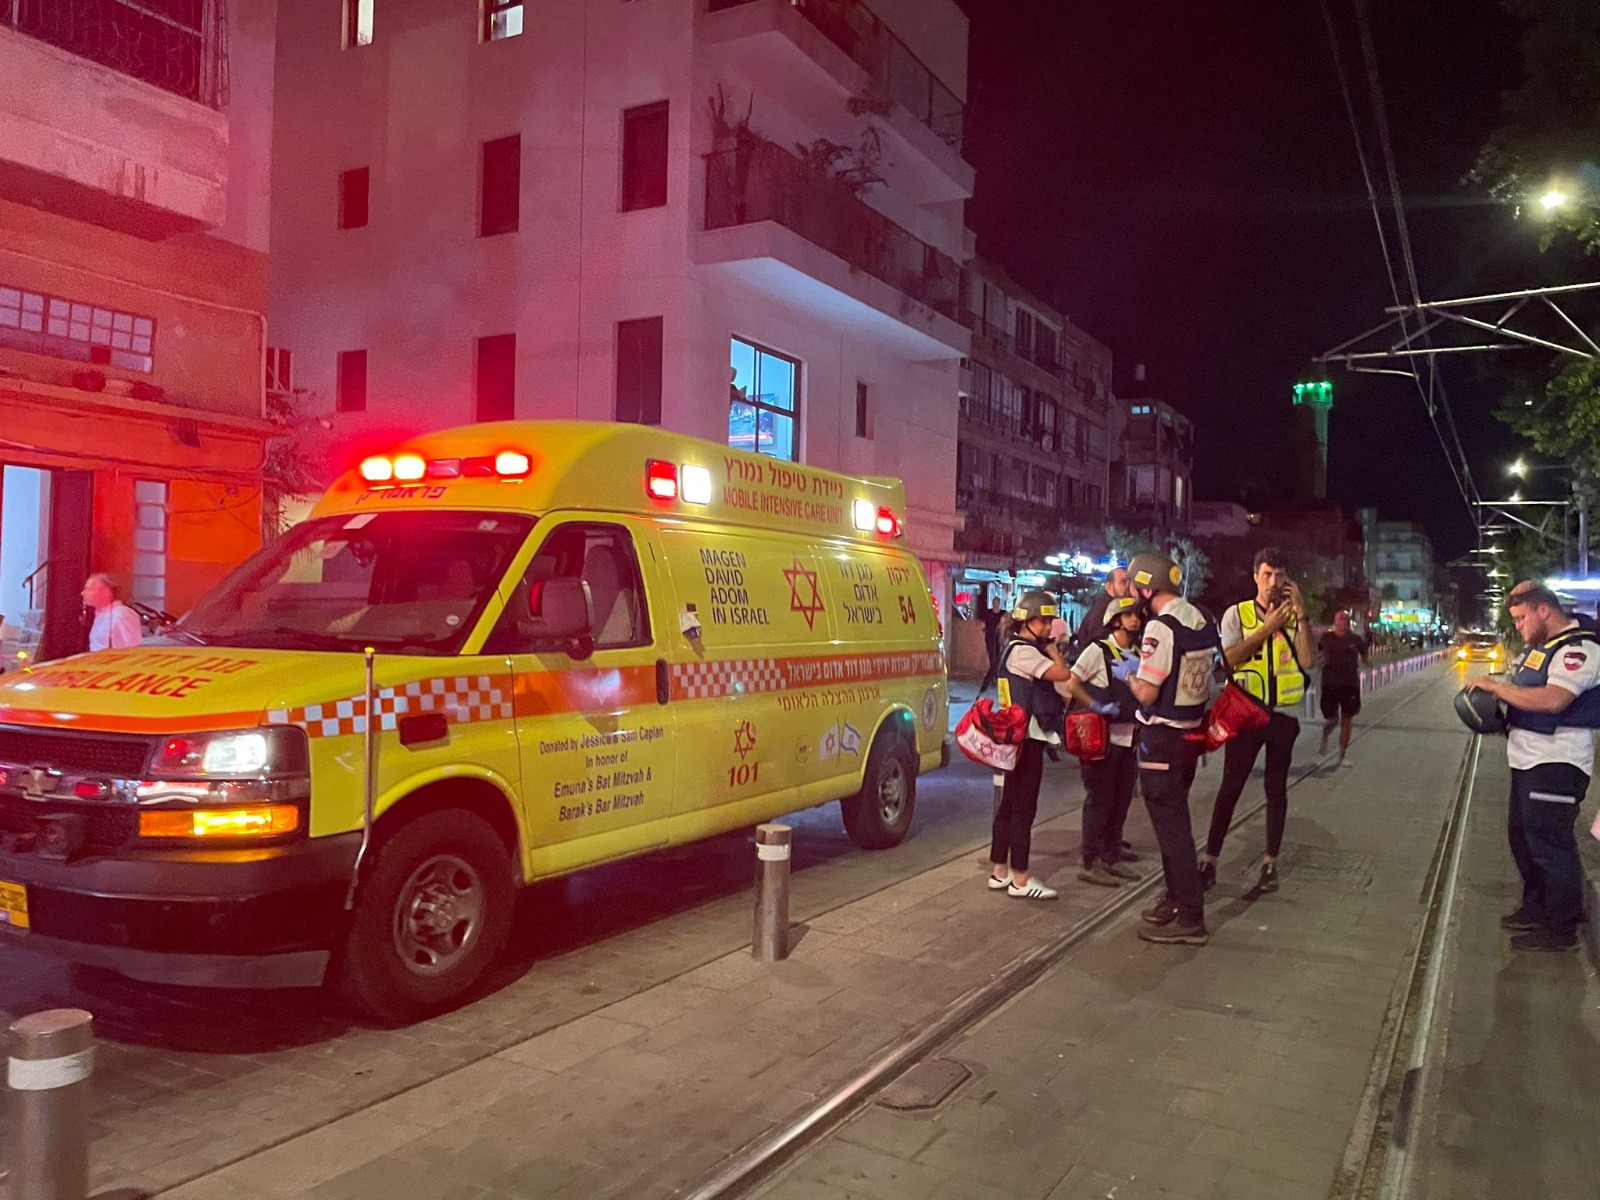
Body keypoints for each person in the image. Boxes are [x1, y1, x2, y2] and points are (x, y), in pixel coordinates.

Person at [1468, 585, 1600, 952]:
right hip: (1527, 761)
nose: (1520, 626)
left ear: (1544, 610)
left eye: (1523, 618)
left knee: (1550, 845)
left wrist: (1498, 689)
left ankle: (1560, 928)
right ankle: (1537, 907)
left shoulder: (1578, 649)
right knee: (1523, 838)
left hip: (1557, 762)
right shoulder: (1538, 650)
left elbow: (1555, 699)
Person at [1199, 548, 1314, 896]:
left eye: (1279, 576)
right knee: (1230, 787)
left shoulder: (1295, 617)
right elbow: (1230, 659)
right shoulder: (1237, 614)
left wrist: (1303, 615)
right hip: (1246, 714)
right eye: (1266, 574)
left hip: (1282, 717)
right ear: (1255, 577)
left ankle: (1269, 863)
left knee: (1276, 791)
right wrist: (1267, 629)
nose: (1272, 582)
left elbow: (1307, 662)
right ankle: (1210, 860)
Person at [1124, 552, 1218, 945]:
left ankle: (1191, 916)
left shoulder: (1160, 629)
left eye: (1133, 585)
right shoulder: (1200, 619)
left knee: (1172, 827)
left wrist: (1129, 674)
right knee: (1172, 822)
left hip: (1163, 737)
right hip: (1190, 735)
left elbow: (1147, 690)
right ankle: (1176, 897)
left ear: (1147, 587)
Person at [988, 590, 1075, 900]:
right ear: (1028, 621)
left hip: (1017, 735)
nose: (1050, 626)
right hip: (1029, 736)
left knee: (1010, 804)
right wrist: (1053, 650)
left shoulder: (1014, 647)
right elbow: (1062, 673)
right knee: (1024, 807)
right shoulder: (1025, 652)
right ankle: (1021, 879)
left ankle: (1000, 871)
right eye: (1045, 620)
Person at [1062, 596, 1143, 887]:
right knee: (1100, 800)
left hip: (1127, 738)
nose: (1135, 619)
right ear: (1116, 619)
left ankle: (1111, 855)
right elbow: (1072, 683)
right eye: (1129, 614)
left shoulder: (1136, 652)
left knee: (1121, 800)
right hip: (1102, 740)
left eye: (1137, 614)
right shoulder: (1099, 650)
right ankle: (1090, 860)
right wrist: (1095, 705)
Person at [1317, 609, 1369, 764]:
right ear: (1335, 620)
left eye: (1345, 619)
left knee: (1347, 719)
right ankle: (1325, 736)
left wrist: (1368, 662)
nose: (1342, 622)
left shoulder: (1355, 639)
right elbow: (1318, 656)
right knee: (1332, 719)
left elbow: (1364, 657)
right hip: (1330, 684)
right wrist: (1319, 662)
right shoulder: (1326, 638)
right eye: (1340, 619)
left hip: (1349, 684)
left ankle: (1342, 754)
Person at [1071, 566, 1131, 657]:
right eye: (1123, 582)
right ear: (1108, 585)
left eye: (1129, 582)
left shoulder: (1116, 608)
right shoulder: (1104, 611)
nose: (1127, 586)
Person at [82, 574, 142, 652]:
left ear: (106, 592)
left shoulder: (121, 614)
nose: (83, 593)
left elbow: (133, 648)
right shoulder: (101, 615)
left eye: (89, 589)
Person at [978, 593, 1005, 694]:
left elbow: (1007, 622)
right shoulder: (988, 613)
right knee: (992, 658)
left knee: (997, 658)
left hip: (998, 638)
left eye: (997, 603)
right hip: (989, 637)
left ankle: (992, 678)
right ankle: (991, 678)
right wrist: (983, 626)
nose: (995, 604)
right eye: (994, 603)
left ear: (999, 604)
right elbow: (982, 623)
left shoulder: (1002, 613)